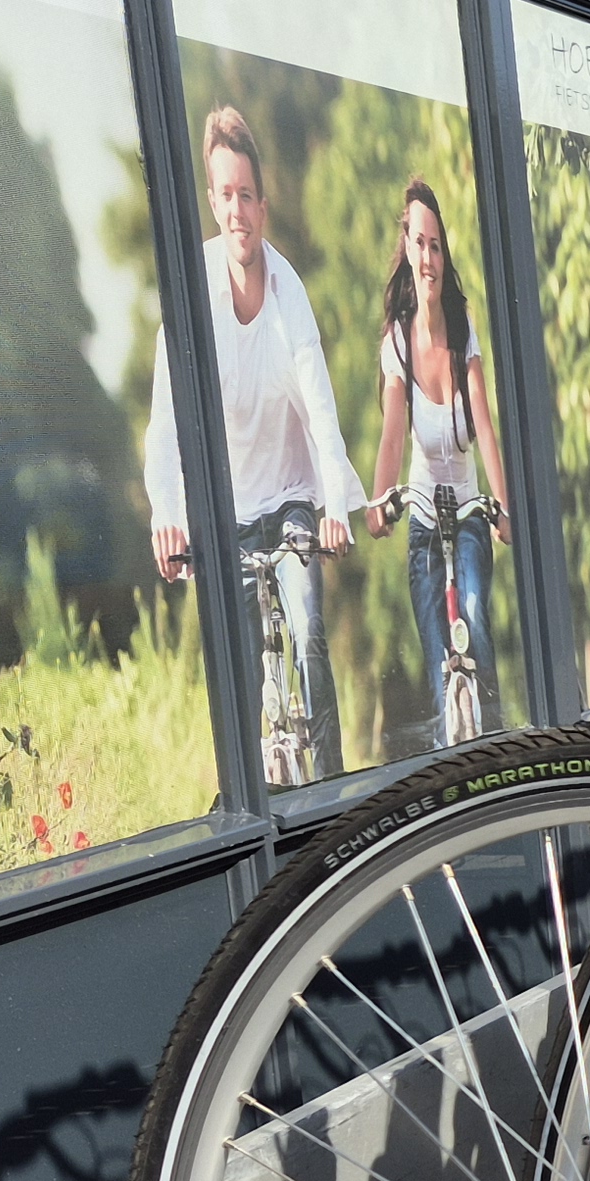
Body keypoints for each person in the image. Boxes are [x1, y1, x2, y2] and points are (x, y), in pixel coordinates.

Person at [144, 103, 369, 779]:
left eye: (247, 195)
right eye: (225, 195)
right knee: (238, 683)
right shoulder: (192, 295)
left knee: (309, 633)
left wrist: (334, 508)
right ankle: (246, 800)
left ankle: (331, 789)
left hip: (292, 499)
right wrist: (168, 515)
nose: (237, 210)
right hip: (228, 518)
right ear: (212, 203)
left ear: (262, 207)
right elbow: (166, 422)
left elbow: (320, 405)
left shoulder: (287, 293)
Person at [367, 178, 511, 742]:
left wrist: (504, 509)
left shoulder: (462, 330)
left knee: (473, 612)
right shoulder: (397, 345)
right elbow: (392, 436)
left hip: (468, 511)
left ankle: (498, 741)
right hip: (425, 519)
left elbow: (485, 423)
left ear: (443, 255)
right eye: (419, 244)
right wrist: (379, 503)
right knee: (437, 661)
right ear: (406, 249)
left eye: (436, 246)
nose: (427, 258)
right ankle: (450, 753)